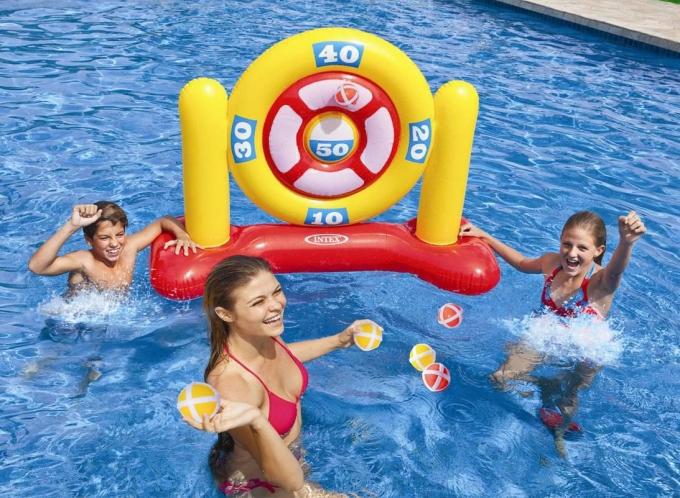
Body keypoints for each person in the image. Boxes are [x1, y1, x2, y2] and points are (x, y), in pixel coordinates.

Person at [460, 210, 646, 457]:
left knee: (566, 399)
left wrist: (626, 242)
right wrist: (484, 236)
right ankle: (542, 385)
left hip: (585, 349)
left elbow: (616, 271)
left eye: (582, 248)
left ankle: (559, 431)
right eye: (567, 244)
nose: (572, 253)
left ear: (598, 251)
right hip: (547, 336)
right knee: (500, 378)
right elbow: (521, 263)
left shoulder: (601, 282)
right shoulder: (552, 263)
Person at [182, 256, 368, 497]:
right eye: (258, 302)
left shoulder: (263, 333)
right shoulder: (232, 382)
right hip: (260, 484)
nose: (276, 305)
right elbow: (289, 481)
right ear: (226, 314)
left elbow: (285, 356)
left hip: (291, 458)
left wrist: (338, 341)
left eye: (276, 291)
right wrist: (257, 420)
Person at [28, 201, 198, 295]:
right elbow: (37, 267)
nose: (115, 243)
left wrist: (182, 235)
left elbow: (162, 222)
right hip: (73, 323)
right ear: (89, 240)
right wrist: (71, 226)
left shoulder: (129, 247)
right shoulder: (84, 261)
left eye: (119, 234)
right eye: (104, 238)